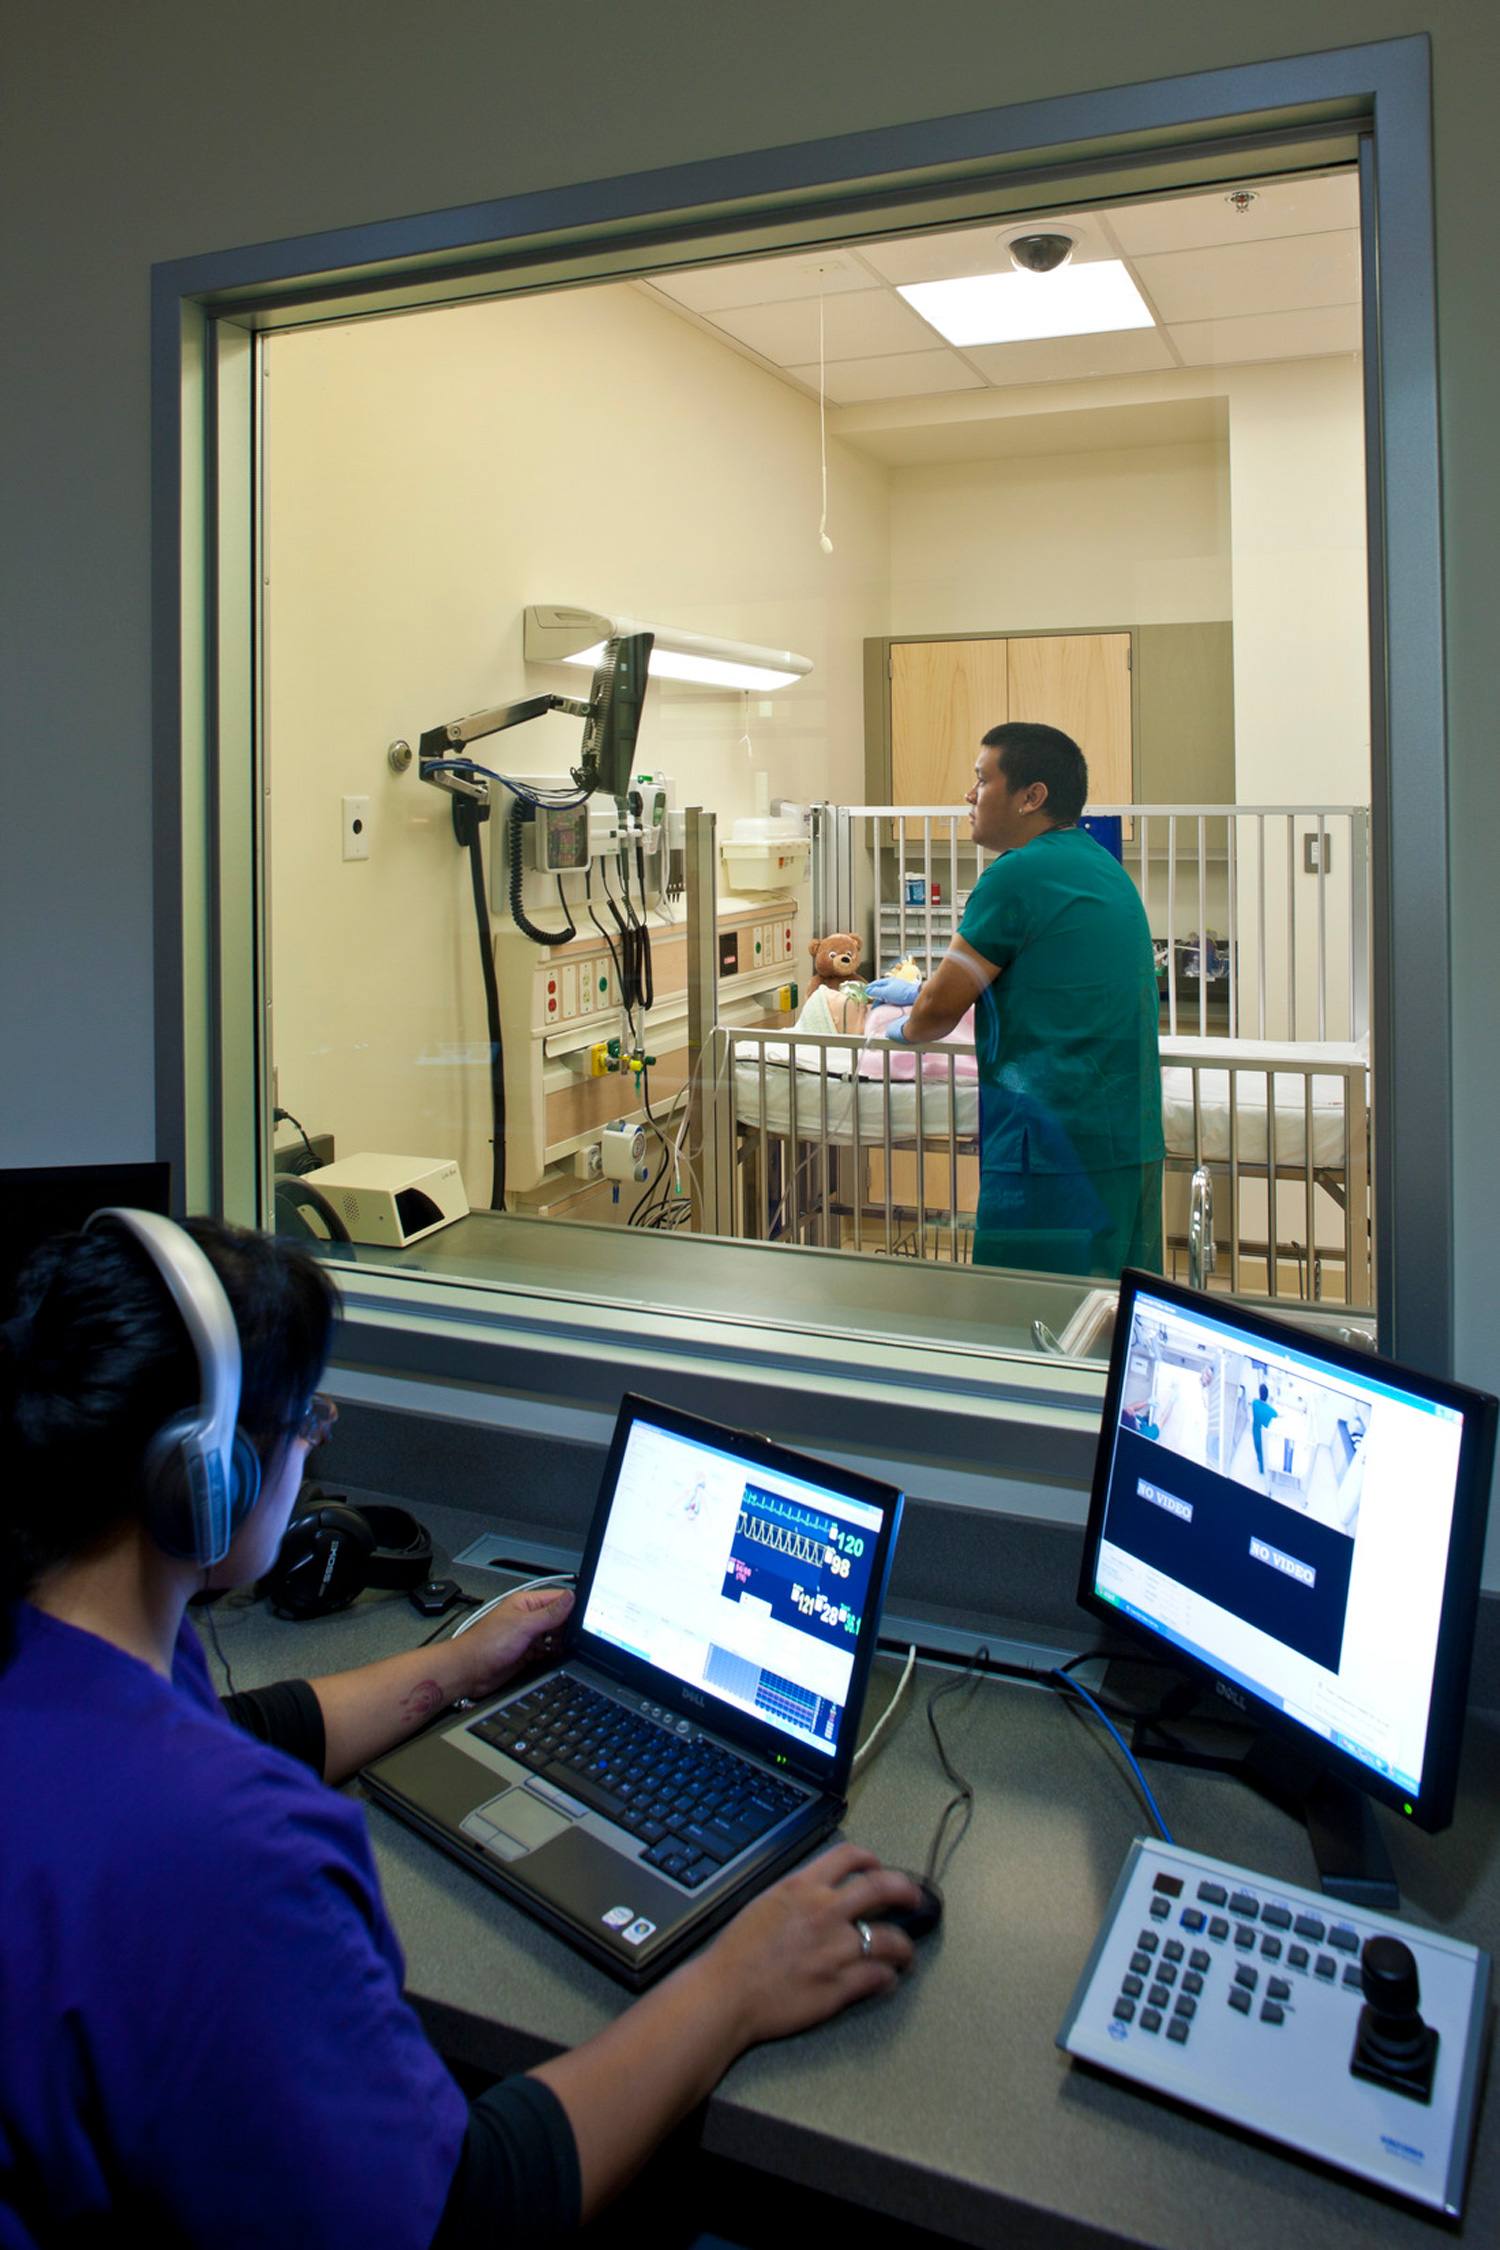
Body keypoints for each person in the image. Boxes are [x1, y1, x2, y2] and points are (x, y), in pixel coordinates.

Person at [0, 1213, 920, 2246]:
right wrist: (737, 1984)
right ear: (209, 1478)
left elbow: (238, 1727)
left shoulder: (72, 1654)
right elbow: (466, 2212)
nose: (313, 1443)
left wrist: (448, 1670)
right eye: (307, 1422)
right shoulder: (239, 1860)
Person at [868, 722, 1163, 1277]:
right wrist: (921, 991)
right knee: (1105, 1331)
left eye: (982, 779)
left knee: (1026, 1329)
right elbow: (1052, 992)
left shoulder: (1016, 876)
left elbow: (936, 1015)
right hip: (1127, 1145)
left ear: (1032, 797)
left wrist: (897, 1025)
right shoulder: (1104, 870)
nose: (969, 795)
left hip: (1050, 1155)